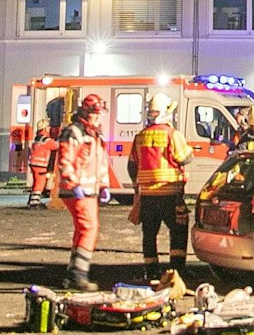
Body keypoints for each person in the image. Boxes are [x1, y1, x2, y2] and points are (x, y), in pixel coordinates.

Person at [51, 94, 117, 291]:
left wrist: (104, 186)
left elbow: (101, 163)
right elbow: (65, 161)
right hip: (78, 190)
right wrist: (73, 183)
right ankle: (78, 276)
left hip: (90, 190)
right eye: (95, 114)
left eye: (100, 115)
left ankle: (74, 274)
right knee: (89, 228)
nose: (98, 118)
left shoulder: (94, 134)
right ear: (86, 113)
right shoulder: (74, 132)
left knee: (83, 229)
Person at [126, 93, 193, 284]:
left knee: (149, 234)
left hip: (147, 196)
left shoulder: (140, 137)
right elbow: (185, 158)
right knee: (178, 232)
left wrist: (137, 188)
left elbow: (132, 166)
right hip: (170, 195)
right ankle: (176, 272)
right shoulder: (172, 135)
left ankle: (152, 273)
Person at [26, 122, 59, 208]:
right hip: (40, 165)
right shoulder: (46, 140)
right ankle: (34, 203)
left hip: (34, 164)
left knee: (36, 183)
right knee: (39, 184)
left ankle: (32, 200)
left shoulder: (38, 138)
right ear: (45, 128)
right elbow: (56, 146)